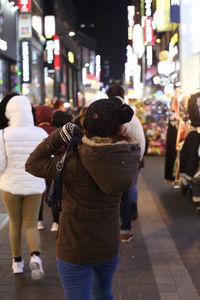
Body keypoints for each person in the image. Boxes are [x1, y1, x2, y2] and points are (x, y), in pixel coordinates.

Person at [25, 98, 140, 300]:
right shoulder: (130, 157)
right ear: (121, 129)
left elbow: (33, 164)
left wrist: (59, 136)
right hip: (108, 246)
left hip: (74, 247)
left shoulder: (72, 163)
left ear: (86, 127)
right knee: (104, 294)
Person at [0, 94, 47, 279]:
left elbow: (1, 164)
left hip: (10, 185)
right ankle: (35, 256)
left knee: (14, 223)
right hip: (34, 186)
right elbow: (47, 161)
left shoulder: (3, 134)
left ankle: (17, 262)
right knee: (31, 224)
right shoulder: (40, 133)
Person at [106, 85, 146, 242]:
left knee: (124, 193)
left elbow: (119, 134)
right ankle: (128, 221)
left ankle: (125, 228)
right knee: (128, 191)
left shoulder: (120, 113)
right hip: (134, 157)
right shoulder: (128, 111)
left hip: (127, 159)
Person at [34, 105, 59, 232]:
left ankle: (39, 221)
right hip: (52, 166)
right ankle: (55, 222)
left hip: (38, 167)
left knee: (39, 194)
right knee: (53, 193)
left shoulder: (34, 131)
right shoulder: (55, 130)